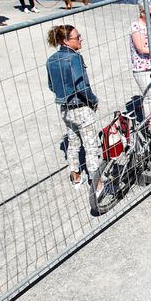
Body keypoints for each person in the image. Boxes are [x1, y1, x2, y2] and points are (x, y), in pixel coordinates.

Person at [46, 24, 102, 191]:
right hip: (81, 108)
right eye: (77, 37)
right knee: (91, 146)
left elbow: (51, 85)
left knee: (73, 142)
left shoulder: (51, 60)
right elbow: (81, 86)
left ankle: (76, 177)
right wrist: (93, 100)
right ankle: (97, 184)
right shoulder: (75, 58)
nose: (80, 39)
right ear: (65, 41)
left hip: (65, 109)